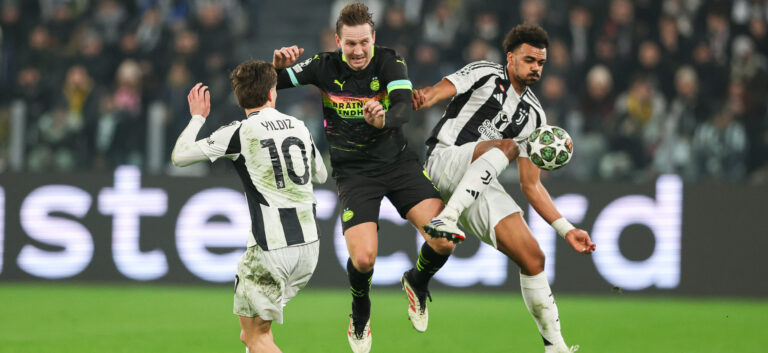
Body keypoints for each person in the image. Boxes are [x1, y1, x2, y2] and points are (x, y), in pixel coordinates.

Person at [270, 3, 459, 352]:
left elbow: (403, 106)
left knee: (444, 241)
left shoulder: (390, 62)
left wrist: (382, 119)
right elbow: (268, 83)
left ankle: (417, 281)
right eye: (350, 44)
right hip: (355, 173)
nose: (358, 51)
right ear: (337, 42)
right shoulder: (322, 65)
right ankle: (360, 311)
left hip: (398, 164)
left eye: (363, 43)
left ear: (373, 38)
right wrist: (277, 68)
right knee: (363, 259)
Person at [412, 24, 596, 353]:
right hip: (444, 160)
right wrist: (423, 98)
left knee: (533, 257)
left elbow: (531, 185)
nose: (536, 68)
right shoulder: (485, 72)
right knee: (508, 146)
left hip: (478, 180)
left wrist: (566, 229)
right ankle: (448, 217)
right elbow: (441, 89)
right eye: (529, 60)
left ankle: (556, 347)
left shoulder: (534, 116)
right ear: (510, 58)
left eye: (541, 63)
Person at [171, 60, 327, 353]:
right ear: (272, 93)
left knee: (254, 337)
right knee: (258, 333)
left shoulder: (239, 132)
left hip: (271, 249)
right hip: (309, 247)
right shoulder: (299, 126)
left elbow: (180, 156)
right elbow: (321, 174)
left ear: (239, 97)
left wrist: (197, 118)